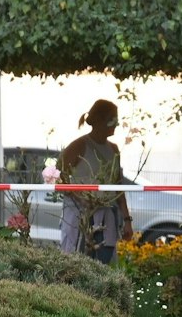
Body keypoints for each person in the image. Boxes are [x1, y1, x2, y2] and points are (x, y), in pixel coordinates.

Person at [57, 101, 133, 263]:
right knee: (75, 259)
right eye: (112, 120)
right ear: (100, 120)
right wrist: (80, 198)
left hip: (106, 215)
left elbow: (118, 186)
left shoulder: (114, 149)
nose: (116, 124)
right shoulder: (78, 146)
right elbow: (59, 176)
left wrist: (127, 220)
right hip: (79, 214)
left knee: (104, 260)